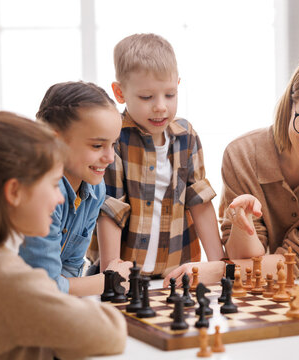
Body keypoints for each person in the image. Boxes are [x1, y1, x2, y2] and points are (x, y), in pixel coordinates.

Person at [165, 50, 299, 285]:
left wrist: (219, 271)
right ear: (290, 104)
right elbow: (245, 260)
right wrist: (242, 221)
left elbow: (298, 264)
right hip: (282, 264)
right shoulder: (242, 155)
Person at [0, 112, 126, 359]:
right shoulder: (5, 278)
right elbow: (109, 334)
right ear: (15, 191)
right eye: (54, 184)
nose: (61, 198)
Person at [94, 33, 224, 278]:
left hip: (176, 270)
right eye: (147, 97)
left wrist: (220, 265)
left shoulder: (187, 136)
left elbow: (200, 202)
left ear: (178, 84)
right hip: (127, 274)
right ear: (120, 93)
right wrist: (110, 275)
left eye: (170, 94)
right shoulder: (115, 138)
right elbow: (111, 209)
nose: (161, 106)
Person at [19, 81, 132, 296]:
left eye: (113, 144)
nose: (110, 157)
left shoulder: (95, 189)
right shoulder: (42, 197)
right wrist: (110, 280)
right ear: (55, 141)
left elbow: (69, 269)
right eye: (97, 146)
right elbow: (45, 288)